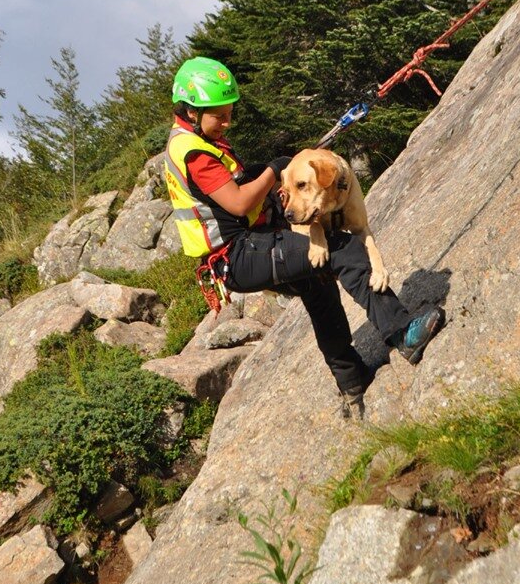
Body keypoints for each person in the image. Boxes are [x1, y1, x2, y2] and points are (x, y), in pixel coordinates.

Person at [164, 56, 444, 420]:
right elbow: (236, 203)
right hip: (238, 255)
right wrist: (274, 170)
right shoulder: (194, 152)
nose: (227, 121)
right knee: (342, 250)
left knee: (318, 279)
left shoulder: (196, 142)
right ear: (189, 111)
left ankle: (352, 382)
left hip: (246, 247)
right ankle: (403, 332)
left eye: (229, 112)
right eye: (219, 115)